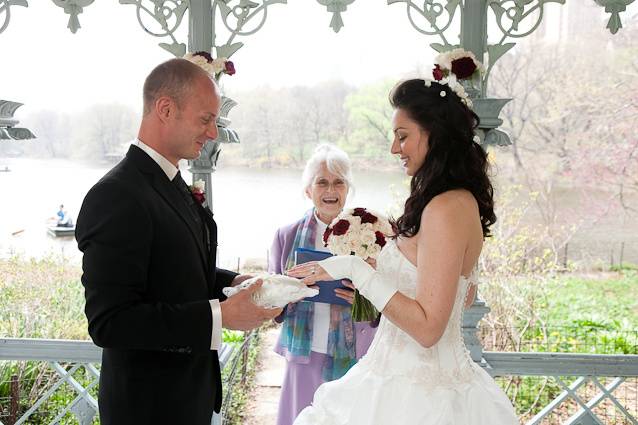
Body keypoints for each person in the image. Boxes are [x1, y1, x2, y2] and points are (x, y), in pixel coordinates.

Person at [288, 78, 519, 424]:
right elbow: (462, 294)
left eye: (403, 135)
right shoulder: (451, 201)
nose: (395, 149)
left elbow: (428, 330)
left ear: (435, 133)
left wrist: (354, 269)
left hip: (419, 400)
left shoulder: (446, 208)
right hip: (388, 380)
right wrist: (381, 270)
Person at [75, 58, 282, 425]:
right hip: (147, 409)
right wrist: (220, 316)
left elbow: (175, 266)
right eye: (205, 119)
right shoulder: (117, 195)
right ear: (166, 109)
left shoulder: (168, 181)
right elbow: (110, 320)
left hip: (189, 399)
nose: (213, 133)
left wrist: (233, 283)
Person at [269, 144, 377, 425]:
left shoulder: (369, 234)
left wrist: (364, 300)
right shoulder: (286, 235)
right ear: (308, 190)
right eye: (322, 183)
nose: (331, 190)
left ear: (347, 188)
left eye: (339, 182)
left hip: (352, 352)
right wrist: (286, 294)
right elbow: (270, 300)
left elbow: (386, 300)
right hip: (303, 351)